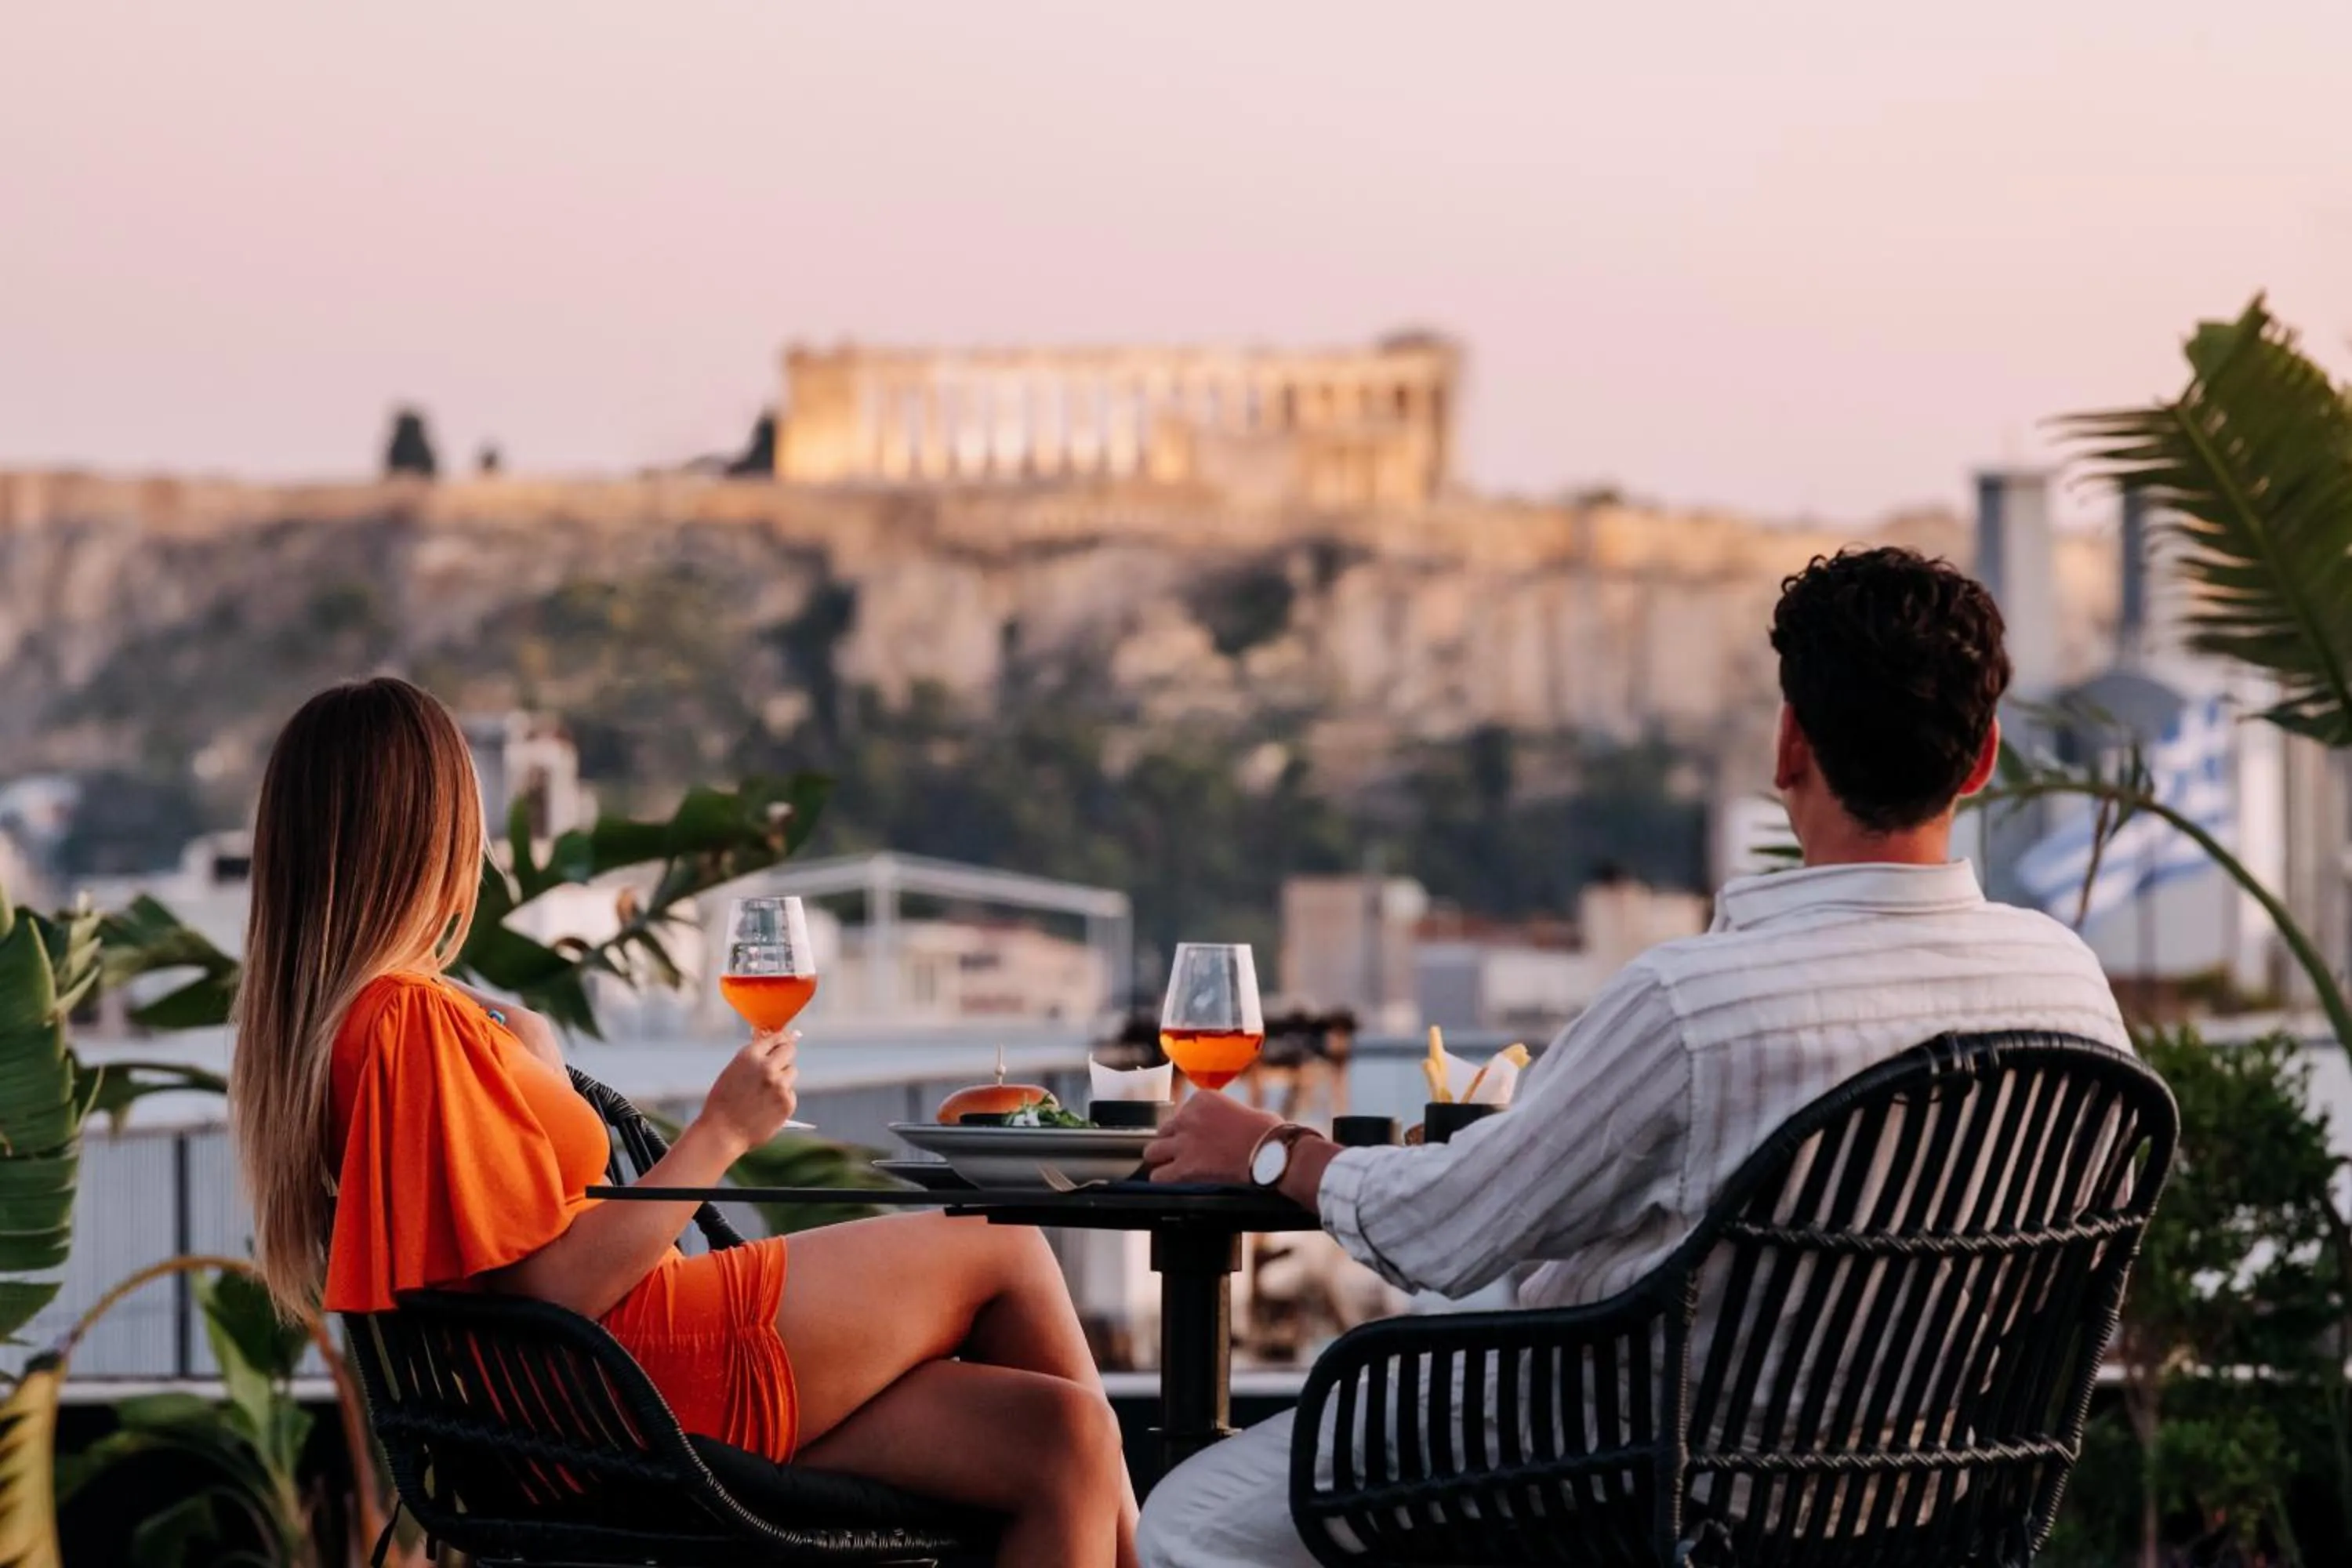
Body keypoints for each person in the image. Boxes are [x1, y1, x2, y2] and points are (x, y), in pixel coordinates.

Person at [1134, 546, 2132, 1566]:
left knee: (1187, 1522)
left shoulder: (1697, 1005)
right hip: (1919, 1499)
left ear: (1789, 745)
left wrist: (1271, 1152)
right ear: (1981, 760)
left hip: (1615, 1474)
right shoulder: (2071, 993)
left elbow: (1447, 1230)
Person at [228, 677, 1137, 1568]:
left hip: (595, 1394)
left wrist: (531, 1053)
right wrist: (722, 1131)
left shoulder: (367, 1026)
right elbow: (552, 1289)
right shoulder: (406, 1021)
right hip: (633, 1383)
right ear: (431, 832)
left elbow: (522, 1231)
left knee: (1063, 1438)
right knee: (1005, 1250)